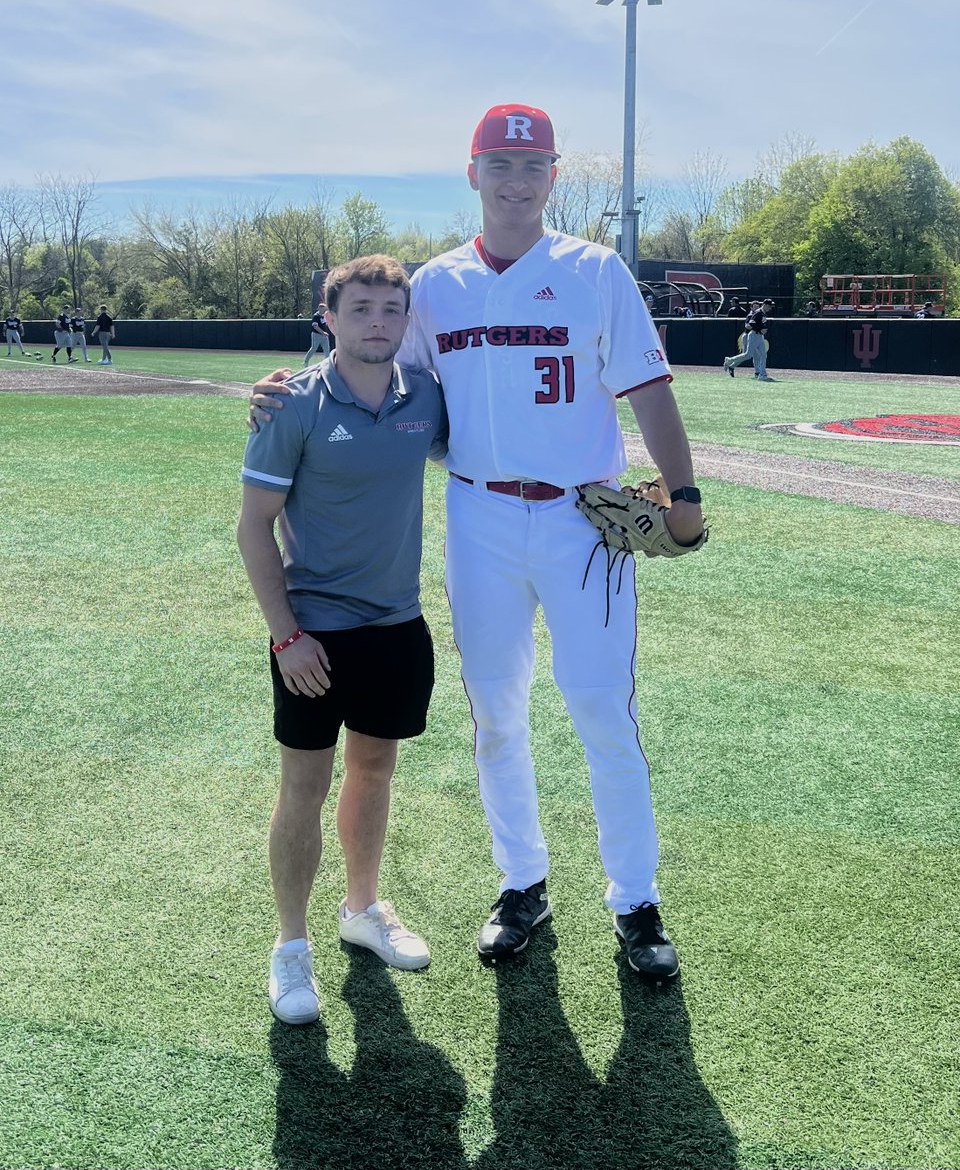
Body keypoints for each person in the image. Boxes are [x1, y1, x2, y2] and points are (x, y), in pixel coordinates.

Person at [250, 104, 705, 983]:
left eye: (530, 166)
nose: (514, 179)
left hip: (584, 519)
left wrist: (682, 494)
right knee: (496, 715)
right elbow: (376, 369)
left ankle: (634, 898)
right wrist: (282, 391)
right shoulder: (439, 283)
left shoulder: (595, 268)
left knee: (602, 708)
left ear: (552, 178)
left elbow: (650, 391)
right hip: (480, 517)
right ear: (473, 174)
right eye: (498, 163)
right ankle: (521, 882)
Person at [237, 255, 447, 1025]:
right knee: (304, 787)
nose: (378, 323)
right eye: (360, 308)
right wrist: (286, 636)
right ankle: (290, 948)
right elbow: (252, 528)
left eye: (392, 309)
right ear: (328, 316)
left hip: (396, 626)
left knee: (376, 771)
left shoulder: (425, 394)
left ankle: (361, 910)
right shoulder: (290, 405)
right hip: (313, 635)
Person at [724, 298, 774, 380]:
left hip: (759, 336)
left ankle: (762, 374)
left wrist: (763, 329)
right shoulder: (758, 313)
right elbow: (750, 324)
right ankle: (729, 360)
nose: (770, 308)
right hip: (753, 335)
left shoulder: (763, 313)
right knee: (748, 355)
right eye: (769, 306)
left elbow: (760, 324)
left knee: (763, 355)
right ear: (764, 305)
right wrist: (759, 329)